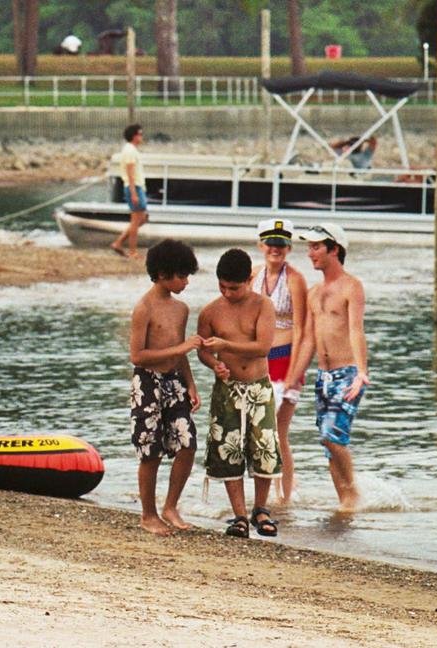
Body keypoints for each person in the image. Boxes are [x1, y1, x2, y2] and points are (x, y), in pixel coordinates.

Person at [197, 248, 280, 538]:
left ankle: (261, 509)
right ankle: (240, 515)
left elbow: (263, 347)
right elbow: (203, 351)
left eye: (234, 287)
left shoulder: (263, 305)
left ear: (249, 280)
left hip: (258, 386)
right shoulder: (210, 311)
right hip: (227, 388)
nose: (228, 293)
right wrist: (215, 364)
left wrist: (226, 345)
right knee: (228, 450)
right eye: (222, 286)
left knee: (264, 448)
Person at [289, 223, 369, 513]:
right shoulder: (313, 292)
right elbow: (309, 340)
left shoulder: (351, 286)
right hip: (323, 377)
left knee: (331, 436)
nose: (310, 253)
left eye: (316, 247)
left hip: (347, 373)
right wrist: (292, 378)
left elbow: (356, 331)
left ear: (334, 249)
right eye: (309, 247)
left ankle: (354, 494)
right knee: (328, 445)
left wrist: (361, 372)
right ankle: (344, 503)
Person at [128, 239, 201, 536]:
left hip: (174, 381)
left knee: (188, 444)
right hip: (148, 381)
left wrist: (191, 384)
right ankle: (148, 515)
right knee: (151, 450)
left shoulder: (181, 308)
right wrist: (182, 347)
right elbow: (137, 356)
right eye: (181, 276)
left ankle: (170, 506)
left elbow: (180, 353)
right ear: (161, 274)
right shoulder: (143, 308)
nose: (186, 282)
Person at [251, 218, 308, 504]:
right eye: (271, 243)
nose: (276, 249)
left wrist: (295, 374)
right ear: (261, 245)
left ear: (289, 248)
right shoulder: (253, 275)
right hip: (259, 360)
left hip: (285, 359)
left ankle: (284, 495)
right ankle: (267, 491)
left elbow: (301, 329)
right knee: (260, 429)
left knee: (279, 431)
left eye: (281, 244)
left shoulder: (295, 279)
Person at [110, 124, 148, 259]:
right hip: (134, 187)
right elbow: (130, 173)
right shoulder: (130, 151)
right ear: (134, 136)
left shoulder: (132, 150)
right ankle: (132, 251)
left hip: (138, 187)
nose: (142, 137)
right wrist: (133, 193)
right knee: (136, 220)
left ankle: (118, 242)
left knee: (142, 219)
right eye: (140, 134)